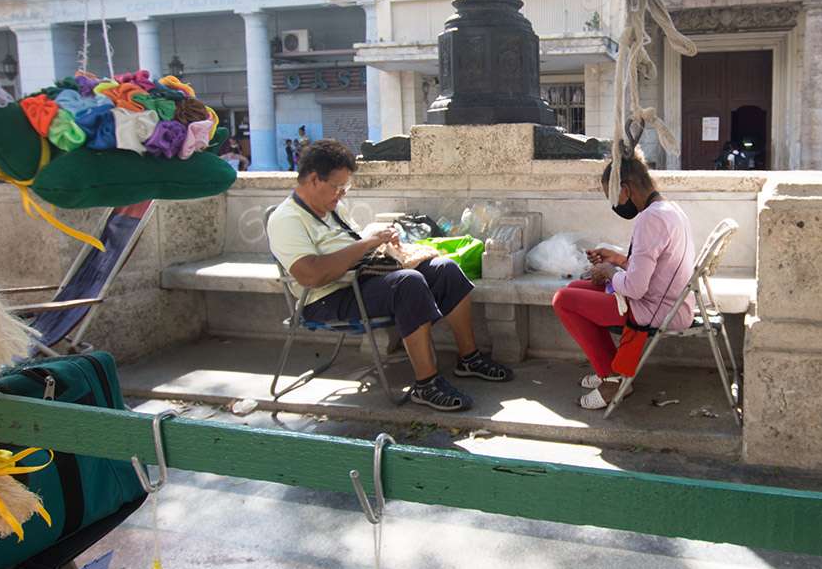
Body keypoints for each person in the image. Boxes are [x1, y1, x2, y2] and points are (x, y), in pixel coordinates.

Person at [266, 139, 512, 411]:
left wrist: (381, 241)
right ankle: (426, 384)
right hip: (327, 298)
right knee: (408, 283)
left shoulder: (334, 208)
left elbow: (355, 245)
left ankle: (469, 359)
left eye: (345, 188)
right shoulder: (286, 219)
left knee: (445, 269)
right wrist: (366, 244)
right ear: (313, 180)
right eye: (338, 187)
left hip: (361, 280)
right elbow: (311, 275)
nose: (342, 194)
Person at [551, 154, 696, 410]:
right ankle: (607, 366)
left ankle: (613, 379)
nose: (612, 205)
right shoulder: (669, 209)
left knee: (563, 300)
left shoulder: (649, 218)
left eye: (612, 196)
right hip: (670, 300)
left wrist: (608, 271)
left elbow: (636, 288)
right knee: (574, 289)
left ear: (626, 189)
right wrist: (617, 259)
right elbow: (653, 269)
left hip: (659, 309)